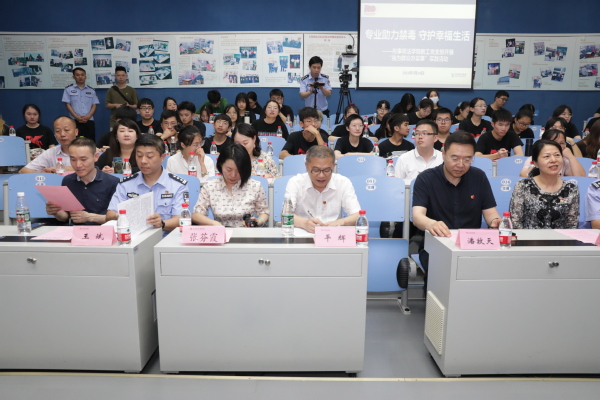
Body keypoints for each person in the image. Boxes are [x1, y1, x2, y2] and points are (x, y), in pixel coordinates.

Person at [412, 131, 501, 273]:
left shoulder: (479, 177)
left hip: (471, 245)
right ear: (443, 154)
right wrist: (431, 224)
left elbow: (490, 213)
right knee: (443, 274)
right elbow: (417, 217)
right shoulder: (426, 179)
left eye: (467, 160)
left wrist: (496, 222)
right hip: (437, 245)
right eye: (455, 158)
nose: (460, 165)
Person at [106, 134, 188, 234]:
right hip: (133, 239)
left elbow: (181, 219)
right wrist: (121, 215)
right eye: (139, 156)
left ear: (162, 157)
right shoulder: (126, 184)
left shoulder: (177, 185)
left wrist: (162, 223)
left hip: (164, 239)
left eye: (150, 156)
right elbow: (110, 215)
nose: (143, 161)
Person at [284, 145, 361, 233]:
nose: (321, 176)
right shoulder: (295, 182)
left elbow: (357, 215)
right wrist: (304, 223)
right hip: (303, 234)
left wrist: (341, 222)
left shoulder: (343, 182)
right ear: (307, 166)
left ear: (333, 166)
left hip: (332, 235)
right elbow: (286, 214)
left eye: (327, 170)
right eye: (316, 170)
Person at [45, 137, 119, 225]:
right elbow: (66, 217)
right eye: (73, 159)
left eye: (83, 159)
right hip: (74, 230)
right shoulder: (68, 181)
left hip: (102, 231)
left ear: (96, 157)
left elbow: (118, 218)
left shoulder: (112, 182)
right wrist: (56, 211)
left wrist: (90, 217)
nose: (78, 165)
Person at [192, 143, 269, 227]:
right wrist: (214, 223)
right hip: (220, 231)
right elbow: (196, 215)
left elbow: (264, 212)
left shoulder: (255, 186)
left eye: (239, 170)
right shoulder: (210, 186)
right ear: (221, 165)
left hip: (247, 231)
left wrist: (257, 221)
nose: (233, 175)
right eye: (229, 169)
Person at [510, 139, 579, 229]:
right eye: (547, 156)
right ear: (535, 163)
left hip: (560, 237)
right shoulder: (523, 185)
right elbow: (515, 222)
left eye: (557, 155)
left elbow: (572, 224)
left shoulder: (571, 188)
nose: (553, 160)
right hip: (527, 237)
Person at [520, 129, 585, 177]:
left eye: (562, 143)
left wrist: (571, 157)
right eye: (554, 142)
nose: (558, 146)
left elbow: (580, 178)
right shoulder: (535, 158)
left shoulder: (563, 160)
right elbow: (524, 174)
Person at [62, 67, 99, 140]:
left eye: (82, 75)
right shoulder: (68, 89)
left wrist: (88, 117)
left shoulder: (91, 90)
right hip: (74, 120)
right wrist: (76, 117)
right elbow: (67, 104)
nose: (80, 77)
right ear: (73, 77)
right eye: (78, 75)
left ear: (85, 76)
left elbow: (94, 105)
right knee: (75, 141)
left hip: (89, 120)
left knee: (90, 141)